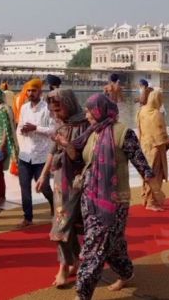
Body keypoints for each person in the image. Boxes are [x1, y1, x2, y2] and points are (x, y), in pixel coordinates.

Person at [53, 94, 154, 300]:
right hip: (89, 199)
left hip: (113, 202)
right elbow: (77, 158)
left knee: (93, 248)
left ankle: (82, 294)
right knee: (112, 245)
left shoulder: (122, 133)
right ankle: (126, 273)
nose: (87, 114)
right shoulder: (91, 133)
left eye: (90, 111)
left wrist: (155, 190)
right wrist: (66, 144)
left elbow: (141, 163)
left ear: (100, 110)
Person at [40, 89, 89, 288]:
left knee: (64, 225)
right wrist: (43, 175)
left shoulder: (85, 126)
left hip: (77, 182)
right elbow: (53, 153)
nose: (55, 113)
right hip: (60, 182)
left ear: (68, 104)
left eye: (58, 109)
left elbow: (80, 157)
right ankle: (69, 262)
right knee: (62, 223)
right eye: (53, 110)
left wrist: (67, 145)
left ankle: (66, 265)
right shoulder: (61, 125)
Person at [16, 78, 56, 228]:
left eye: (34, 90)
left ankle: (54, 205)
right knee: (24, 187)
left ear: (40, 92)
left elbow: (53, 130)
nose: (30, 93)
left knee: (44, 187)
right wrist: (22, 131)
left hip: (41, 156)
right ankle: (28, 218)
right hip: (25, 154)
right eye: (28, 90)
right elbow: (19, 126)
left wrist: (35, 128)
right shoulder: (24, 108)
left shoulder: (47, 109)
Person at [136, 89, 169, 211]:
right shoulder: (156, 114)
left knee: (146, 173)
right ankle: (151, 202)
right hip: (156, 148)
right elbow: (161, 134)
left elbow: (140, 129)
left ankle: (145, 197)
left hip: (144, 146)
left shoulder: (141, 111)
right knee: (155, 175)